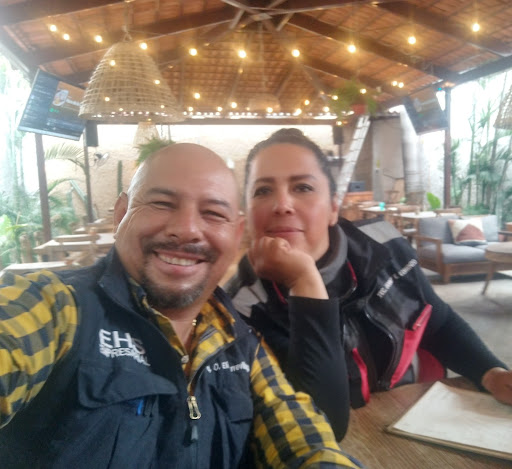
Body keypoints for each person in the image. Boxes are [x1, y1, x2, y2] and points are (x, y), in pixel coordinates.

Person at [0, 143, 360, 468]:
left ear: (236, 235)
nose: (187, 229)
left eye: (213, 213)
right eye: (162, 203)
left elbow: (306, 440)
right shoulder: (57, 307)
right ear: (121, 214)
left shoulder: (241, 343)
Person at [227, 128, 512, 441]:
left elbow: (438, 322)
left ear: (333, 208)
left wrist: (490, 372)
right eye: (263, 191)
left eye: (303, 187)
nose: (282, 204)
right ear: (247, 214)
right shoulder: (241, 307)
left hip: (418, 417)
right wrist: (303, 281)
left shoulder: (385, 245)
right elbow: (320, 425)